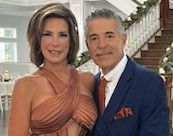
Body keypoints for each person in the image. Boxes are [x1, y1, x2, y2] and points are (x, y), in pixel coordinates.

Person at [8, 2, 97, 136]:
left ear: (71, 40)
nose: (55, 43)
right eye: (47, 34)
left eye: (62, 35)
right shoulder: (25, 85)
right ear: (38, 40)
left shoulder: (88, 80)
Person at [85, 9, 169, 136]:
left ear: (123, 39)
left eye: (109, 36)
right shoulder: (89, 87)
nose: (101, 45)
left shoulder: (149, 83)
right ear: (87, 45)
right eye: (94, 38)